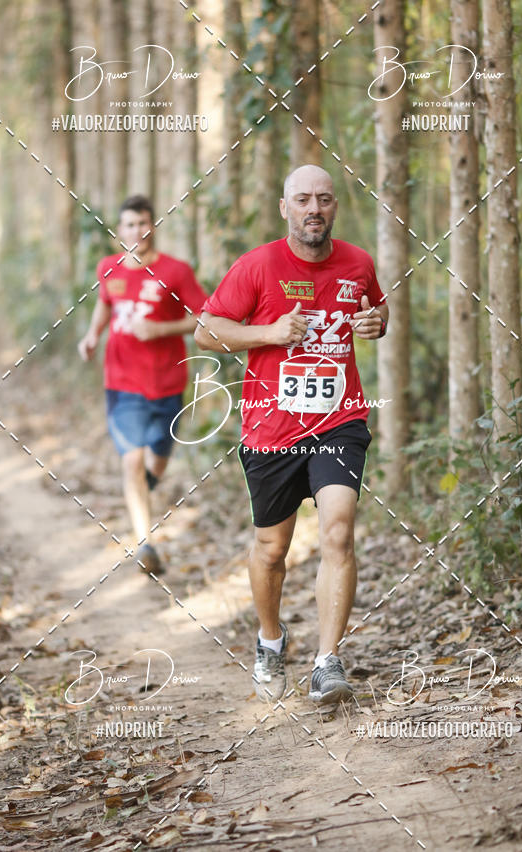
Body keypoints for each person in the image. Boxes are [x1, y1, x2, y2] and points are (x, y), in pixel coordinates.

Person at [195, 165, 388, 705]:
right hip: (271, 425)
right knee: (272, 548)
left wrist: (377, 323)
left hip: (339, 419)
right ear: (285, 208)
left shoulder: (358, 262)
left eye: (324, 199)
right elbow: (206, 330)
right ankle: (270, 640)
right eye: (303, 199)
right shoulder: (257, 266)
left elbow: (376, 307)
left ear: (334, 207)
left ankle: (327, 662)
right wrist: (270, 333)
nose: (314, 209)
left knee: (338, 533)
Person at [78, 194, 207, 576]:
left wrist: (160, 328)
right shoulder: (109, 268)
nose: (138, 231)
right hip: (122, 382)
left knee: (156, 464)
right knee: (132, 461)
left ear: (153, 227)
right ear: (120, 232)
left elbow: (204, 315)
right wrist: (91, 334)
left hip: (168, 382)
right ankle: (144, 543)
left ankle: (141, 492)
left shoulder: (176, 272)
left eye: (144, 224)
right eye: (130, 225)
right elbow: (105, 302)